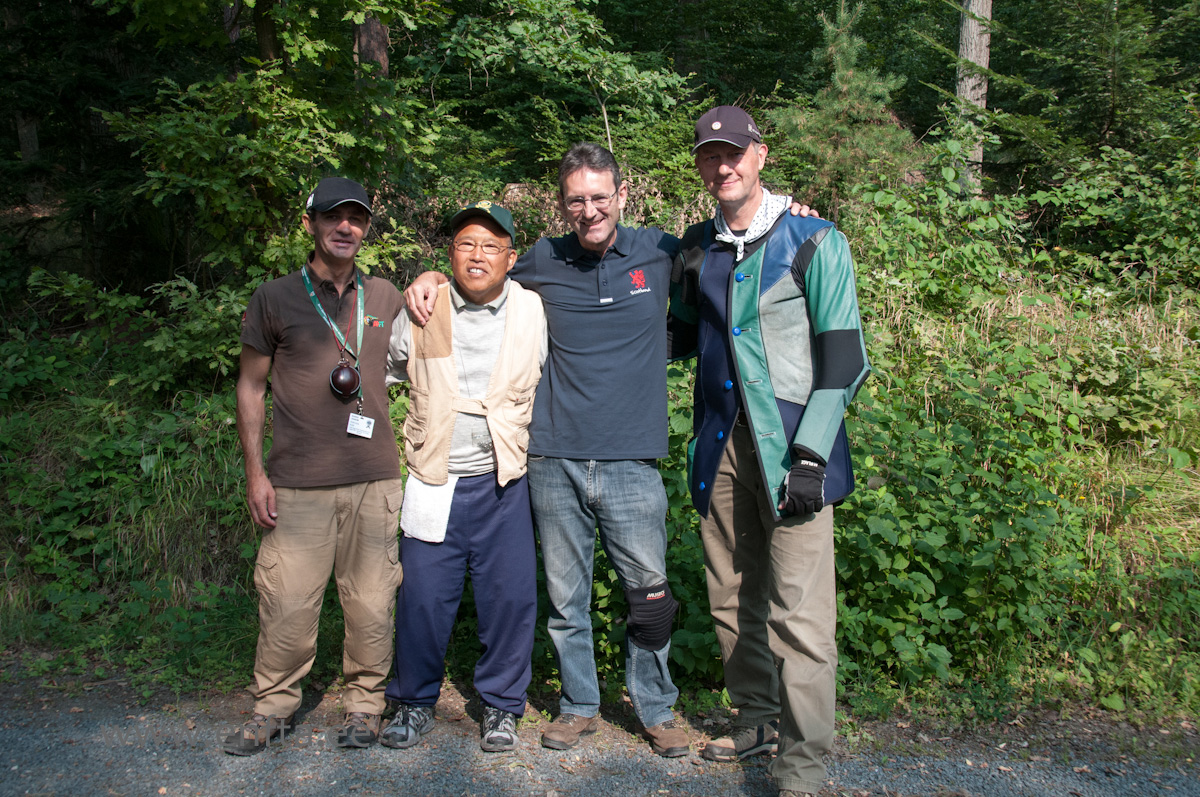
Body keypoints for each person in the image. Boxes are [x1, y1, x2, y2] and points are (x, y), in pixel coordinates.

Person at [405, 144, 690, 757]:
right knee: (566, 601)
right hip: (553, 457)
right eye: (576, 200)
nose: (589, 210)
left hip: (632, 457)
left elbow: (726, 256)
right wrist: (430, 277)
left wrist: (792, 212)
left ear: (621, 195)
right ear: (562, 205)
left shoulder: (661, 251)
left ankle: (657, 709)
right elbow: (479, 274)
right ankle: (579, 705)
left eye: (600, 197)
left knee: (650, 597)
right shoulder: (543, 259)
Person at [668, 106, 871, 796]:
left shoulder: (814, 239)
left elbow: (843, 357)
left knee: (800, 617)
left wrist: (812, 455)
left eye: (734, 152)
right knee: (731, 595)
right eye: (710, 155)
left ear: (761, 155)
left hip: (793, 452)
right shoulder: (697, 247)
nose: (722, 165)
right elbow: (674, 333)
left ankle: (802, 771)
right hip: (720, 446)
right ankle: (756, 721)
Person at [225, 177, 405, 755]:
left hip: (374, 478)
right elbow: (250, 386)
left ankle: (365, 706)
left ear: (367, 228)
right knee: (287, 603)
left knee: (372, 603)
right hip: (297, 482)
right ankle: (273, 707)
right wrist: (255, 473)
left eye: (357, 218)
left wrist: (429, 277)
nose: (345, 227)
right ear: (310, 224)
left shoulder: (386, 297)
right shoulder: (274, 297)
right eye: (333, 216)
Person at [379, 202, 547, 753]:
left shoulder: (532, 310)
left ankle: (502, 705)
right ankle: (412, 701)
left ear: (510, 258)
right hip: (433, 477)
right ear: (449, 253)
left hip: (504, 480)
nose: (478, 255)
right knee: (422, 598)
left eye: (491, 246)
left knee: (510, 599)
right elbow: (383, 372)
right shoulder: (423, 306)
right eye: (466, 244)